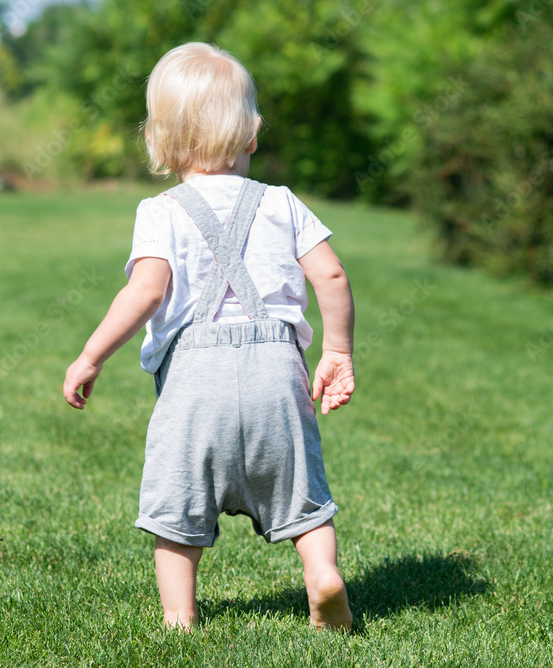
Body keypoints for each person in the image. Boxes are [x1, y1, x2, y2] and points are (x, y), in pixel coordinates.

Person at [62, 42, 355, 632]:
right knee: (302, 496)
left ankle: (179, 618)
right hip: (278, 377)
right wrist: (338, 351)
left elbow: (145, 292)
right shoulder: (282, 203)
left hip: (195, 389)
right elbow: (331, 274)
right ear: (252, 134)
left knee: (177, 508)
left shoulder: (161, 211)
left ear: (161, 140)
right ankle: (322, 576)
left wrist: (91, 356)